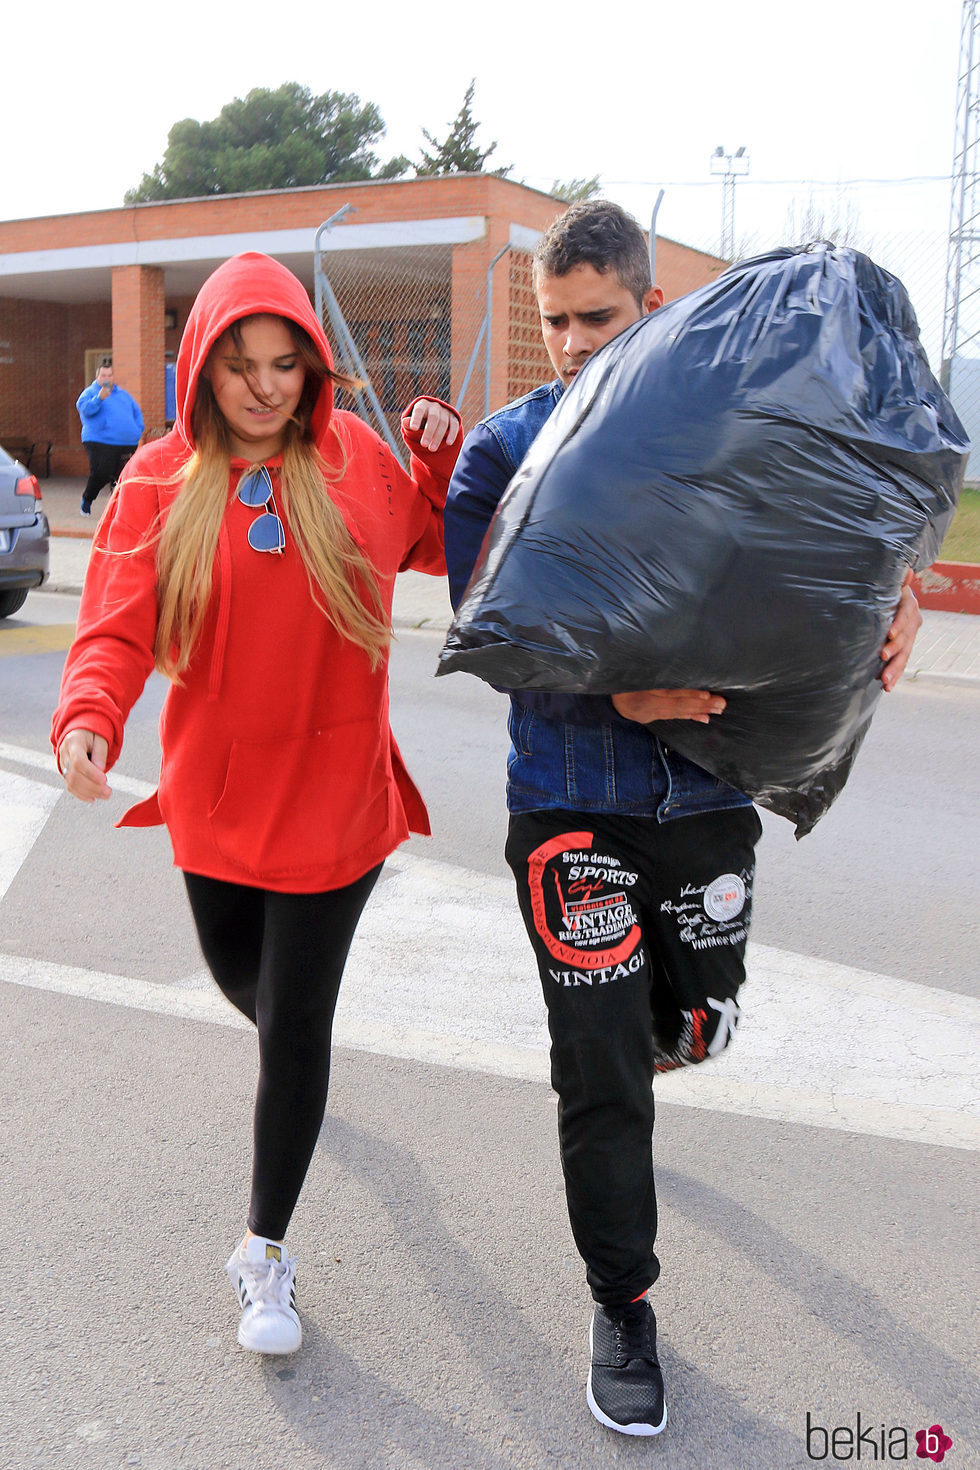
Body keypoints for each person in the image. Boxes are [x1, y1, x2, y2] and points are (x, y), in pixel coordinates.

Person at [444, 200, 922, 1438]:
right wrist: (619, 685)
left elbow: (842, 525)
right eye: (550, 320)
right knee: (597, 1065)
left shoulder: (730, 425)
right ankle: (622, 1302)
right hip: (568, 801)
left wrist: (895, 600)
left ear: (648, 309)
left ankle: (669, 1030)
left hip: (707, 798)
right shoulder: (506, 454)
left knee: (693, 1023)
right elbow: (493, 631)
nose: (567, 343)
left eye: (594, 317)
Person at [52, 251, 460, 1357]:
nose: (267, 386)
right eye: (243, 366)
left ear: (311, 368)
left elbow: (428, 541)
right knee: (249, 986)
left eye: (286, 364)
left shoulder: (353, 461)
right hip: (218, 800)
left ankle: (263, 1253)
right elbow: (114, 628)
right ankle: (301, 1072)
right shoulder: (153, 483)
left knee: (292, 1024)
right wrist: (91, 716)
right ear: (203, 369)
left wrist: (436, 465)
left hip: (336, 800)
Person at [76, 361, 145, 515]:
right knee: (102, 472)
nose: (106, 378)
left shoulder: (123, 395)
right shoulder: (90, 392)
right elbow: (84, 409)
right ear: (97, 376)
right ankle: (87, 499)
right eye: (103, 375)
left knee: (123, 477)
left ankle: (120, 511)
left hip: (127, 442)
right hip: (99, 440)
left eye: (109, 375)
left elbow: (136, 412)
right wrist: (99, 399)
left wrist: (138, 429)